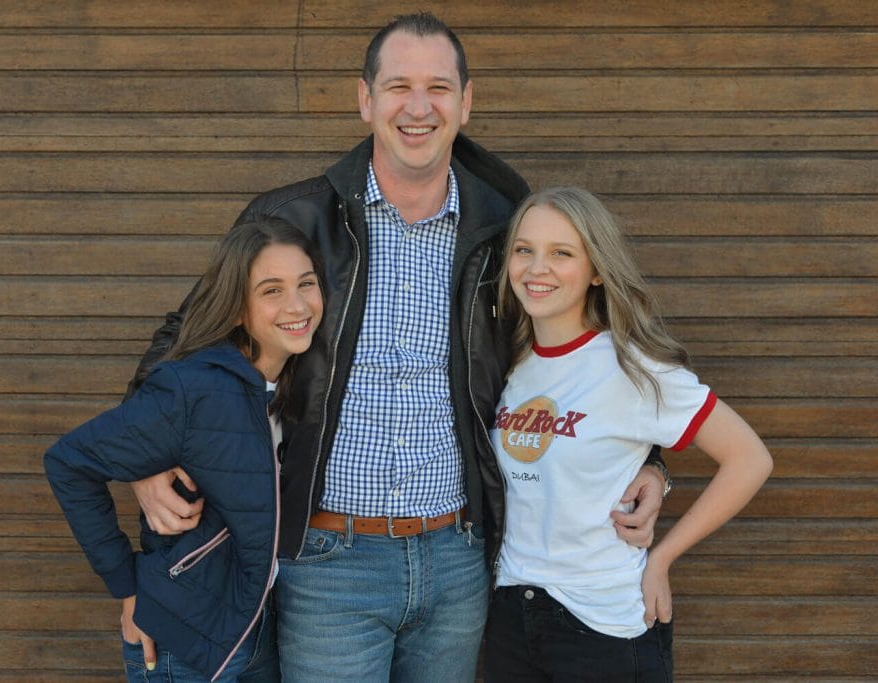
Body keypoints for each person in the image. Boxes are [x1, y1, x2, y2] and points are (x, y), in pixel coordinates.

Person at [126, 13, 670, 682]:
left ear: (466, 103)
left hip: (459, 559)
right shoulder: (293, 220)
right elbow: (182, 344)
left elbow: (591, 343)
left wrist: (652, 460)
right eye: (398, 86)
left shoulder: (510, 227)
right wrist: (146, 459)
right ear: (365, 99)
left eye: (439, 87)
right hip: (329, 560)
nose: (419, 107)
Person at [484, 187, 773, 682]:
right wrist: (655, 471)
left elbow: (749, 459)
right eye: (524, 249)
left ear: (596, 270)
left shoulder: (633, 368)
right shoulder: (507, 362)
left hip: (602, 624)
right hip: (510, 614)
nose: (537, 268)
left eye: (562, 253)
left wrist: (662, 557)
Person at [44, 217, 324, 682]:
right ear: (237, 308)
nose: (296, 304)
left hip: (256, 633)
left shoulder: (293, 386)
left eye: (306, 284)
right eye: (271, 290)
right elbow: (69, 463)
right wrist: (130, 591)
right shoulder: (192, 387)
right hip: (184, 642)